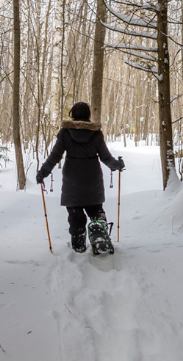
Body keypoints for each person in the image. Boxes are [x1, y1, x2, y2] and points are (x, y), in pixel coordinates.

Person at [37, 102, 125, 253]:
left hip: (72, 181)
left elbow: (55, 156)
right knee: (96, 210)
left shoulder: (65, 132)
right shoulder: (96, 133)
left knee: (76, 216)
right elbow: (106, 157)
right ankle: (99, 230)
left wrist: (43, 173)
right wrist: (118, 165)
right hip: (92, 179)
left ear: (73, 114)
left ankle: (79, 246)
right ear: (88, 114)